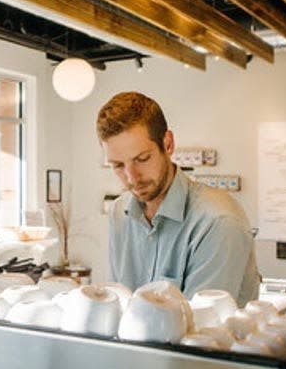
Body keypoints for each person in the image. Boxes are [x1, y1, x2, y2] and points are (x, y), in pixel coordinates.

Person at [97, 91, 259, 305]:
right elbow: (117, 302)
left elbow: (202, 329)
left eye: (142, 159)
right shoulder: (119, 211)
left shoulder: (218, 221)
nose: (131, 177)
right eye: (117, 165)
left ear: (168, 144)